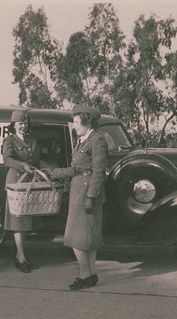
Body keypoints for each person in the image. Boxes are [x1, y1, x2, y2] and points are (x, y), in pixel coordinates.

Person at [45, 104, 108, 290]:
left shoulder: (97, 141)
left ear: (88, 123)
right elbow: (75, 169)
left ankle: (84, 274)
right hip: (79, 190)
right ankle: (90, 274)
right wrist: (52, 172)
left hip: (87, 193)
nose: (74, 126)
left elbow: (98, 171)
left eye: (77, 123)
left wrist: (91, 196)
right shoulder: (84, 140)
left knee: (77, 236)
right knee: (86, 237)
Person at [3, 110, 41, 273]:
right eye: (20, 124)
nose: (23, 126)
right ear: (13, 125)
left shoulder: (32, 140)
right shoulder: (9, 140)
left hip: (29, 182)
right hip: (16, 181)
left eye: (25, 123)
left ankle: (22, 255)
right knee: (17, 221)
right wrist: (23, 165)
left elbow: (36, 159)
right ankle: (21, 258)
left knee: (25, 220)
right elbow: (7, 160)